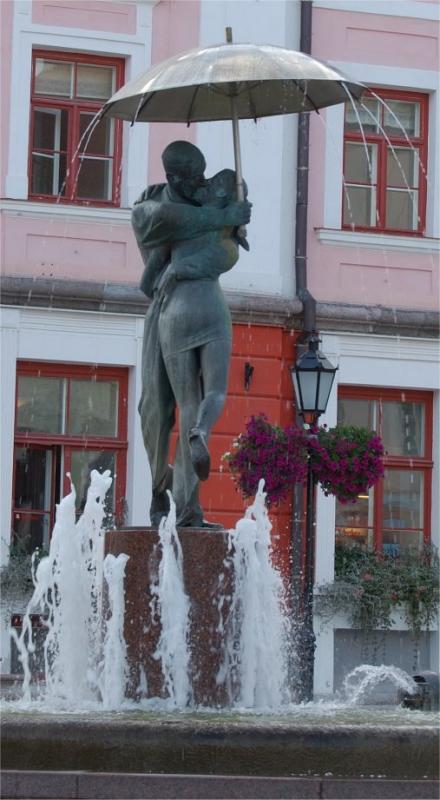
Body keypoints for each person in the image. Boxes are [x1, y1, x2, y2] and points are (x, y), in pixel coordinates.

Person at [131, 141, 251, 527]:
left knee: (187, 408)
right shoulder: (149, 205)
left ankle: (186, 509)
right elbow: (168, 220)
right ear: (172, 177)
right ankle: (158, 489)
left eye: (203, 174)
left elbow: (227, 252)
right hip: (160, 311)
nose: (200, 182)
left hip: (186, 304)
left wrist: (232, 221)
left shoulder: (207, 201)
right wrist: (224, 216)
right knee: (155, 411)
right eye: (192, 177)